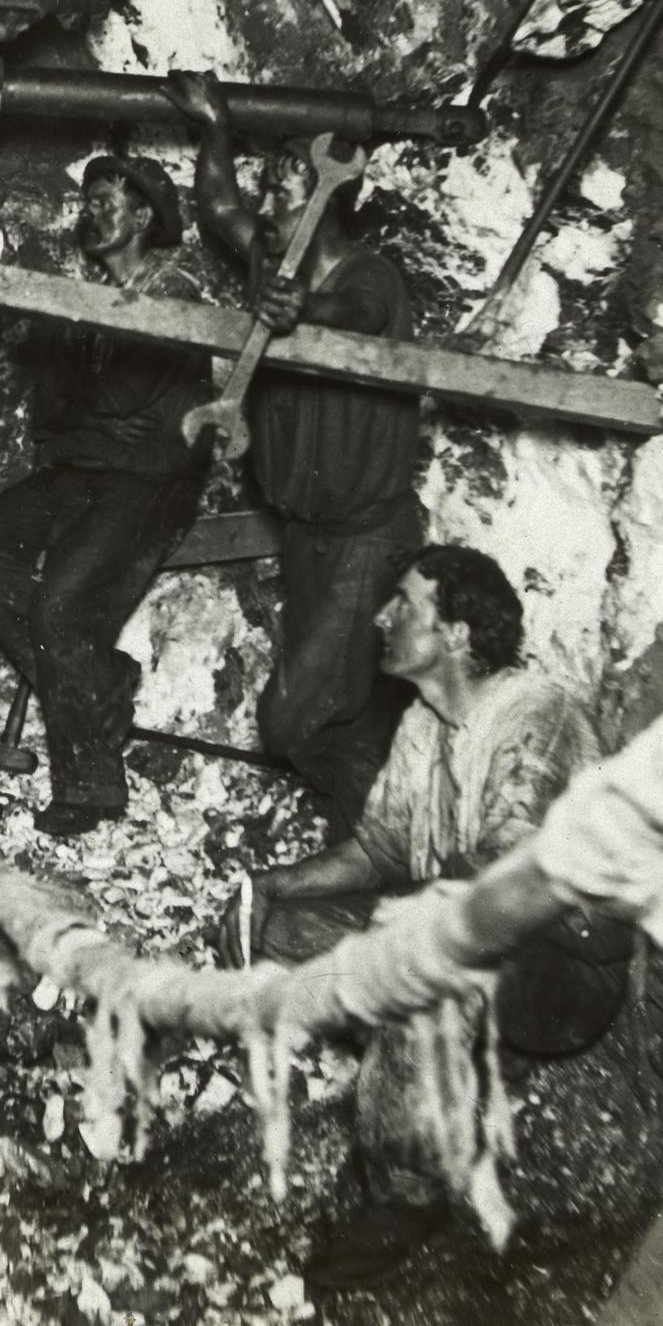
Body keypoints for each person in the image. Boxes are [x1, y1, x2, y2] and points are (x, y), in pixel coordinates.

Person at [238, 544, 636, 1289]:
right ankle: (432, 1073)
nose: (383, 617)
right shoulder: (424, 722)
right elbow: (380, 847)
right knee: (277, 931)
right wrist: (275, 884)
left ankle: (407, 1198)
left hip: (563, 966)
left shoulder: (535, 715)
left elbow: (511, 869)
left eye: (406, 606)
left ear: (455, 635)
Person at [171, 70, 431, 835]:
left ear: (328, 203)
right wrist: (213, 128)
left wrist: (302, 313)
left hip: (366, 541)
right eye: (272, 192)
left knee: (289, 723)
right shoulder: (268, 264)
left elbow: (352, 315)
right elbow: (219, 206)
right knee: (343, 715)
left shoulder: (372, 278)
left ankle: (392, 824)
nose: (268, 205)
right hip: (310, 538)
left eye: (285, 193)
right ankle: (378, 836)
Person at [0, 154, 227, 836]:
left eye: (107, 203)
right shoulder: (88, 298)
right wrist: (87, 399)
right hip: (88, 468)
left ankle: (93, 784)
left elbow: (125, 398)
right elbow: (60, 410)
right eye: (90, 201)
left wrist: (84, 387)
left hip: (153, 483)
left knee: (60, 610)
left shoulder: (177, 294)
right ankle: (99, 682)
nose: (91, 214)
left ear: (145, 219)